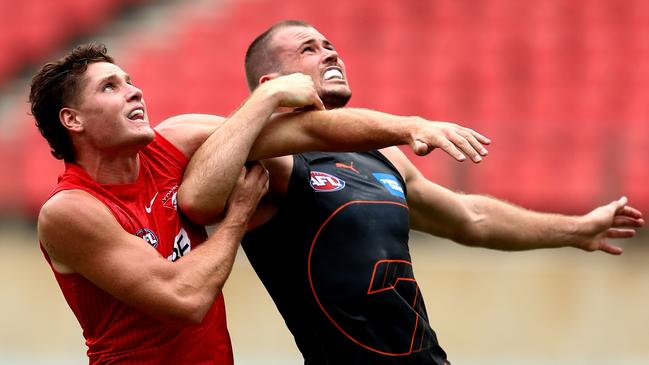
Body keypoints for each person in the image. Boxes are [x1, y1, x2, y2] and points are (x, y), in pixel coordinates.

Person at [179, 20, 645, 365]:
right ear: (271, 84)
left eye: (331, 46)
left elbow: (470, 217)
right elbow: (198, 196)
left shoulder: (382, 157)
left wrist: (574, 229)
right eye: (309, 49)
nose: (330, 54)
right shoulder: (269, 161)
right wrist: (409, 124)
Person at [30, 43, 490, 364]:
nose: (134, 90)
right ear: (72, 120)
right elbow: (182, 298)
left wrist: (411, 127)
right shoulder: (71, 210)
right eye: (110, 87)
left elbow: (307, 132)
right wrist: (237, 216)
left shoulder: (175, 142)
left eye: (130, 80)